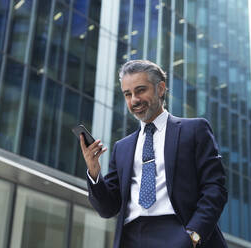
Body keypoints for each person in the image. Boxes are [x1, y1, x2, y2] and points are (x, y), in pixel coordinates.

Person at [79, 60, 228, 248]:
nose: (134, 100)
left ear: (160, 89)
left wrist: (194, 235)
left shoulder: (194, 130)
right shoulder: (122, 148)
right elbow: (108, 209)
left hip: (179, 231)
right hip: (131, 237)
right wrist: (94, 172)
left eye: (140, 90)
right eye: (128, 94)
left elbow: (215, 188)